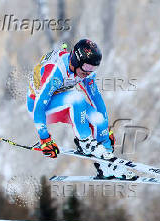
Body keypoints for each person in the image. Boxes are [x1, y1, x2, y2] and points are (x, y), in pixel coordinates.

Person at [26, 39, 136, 180]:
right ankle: (85, 142)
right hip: (39, 108)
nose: (89, 72)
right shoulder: (56, 72)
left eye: (94, 68)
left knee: (99, 121)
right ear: (77, 61)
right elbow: (39, 107)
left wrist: (106, 129)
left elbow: (96, 98)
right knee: (76, 98)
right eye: (88, 67)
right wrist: (44, 139)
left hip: (63, 103)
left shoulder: (84, 71)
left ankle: (108, 166)